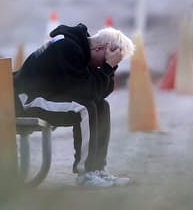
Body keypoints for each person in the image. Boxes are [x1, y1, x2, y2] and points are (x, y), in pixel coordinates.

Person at [13, 23, 135, 187]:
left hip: (46, 96)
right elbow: (84, 92)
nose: (102, 65)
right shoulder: (68, 48)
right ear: (100, 48)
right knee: (85, 108)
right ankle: (86, 174)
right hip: (26, 101)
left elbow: (98, 95)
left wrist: (109, 69)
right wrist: (106, 68)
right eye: (106, 60)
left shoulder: (79, 48)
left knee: (101, 106)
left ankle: (98, 169)